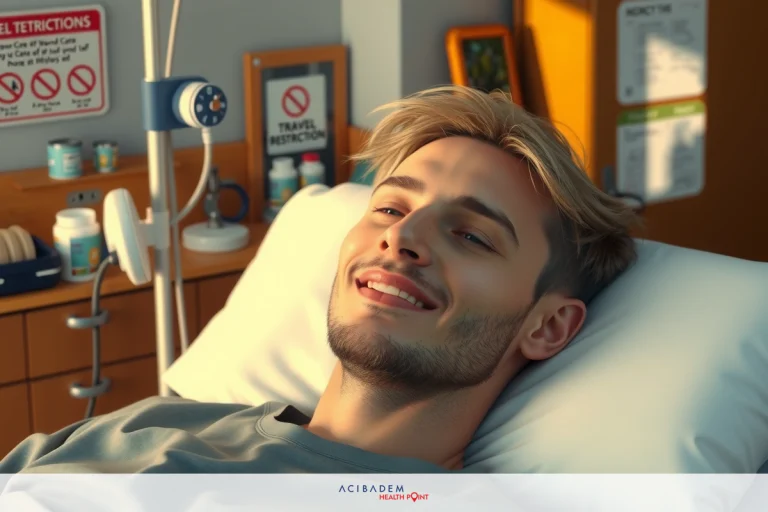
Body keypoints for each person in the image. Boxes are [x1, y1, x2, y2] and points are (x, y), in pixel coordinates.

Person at [0, 86, 639, 474]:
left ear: (548, 325)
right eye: (389, 207)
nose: (402, 237)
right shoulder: (155, 421)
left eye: (472, 235)